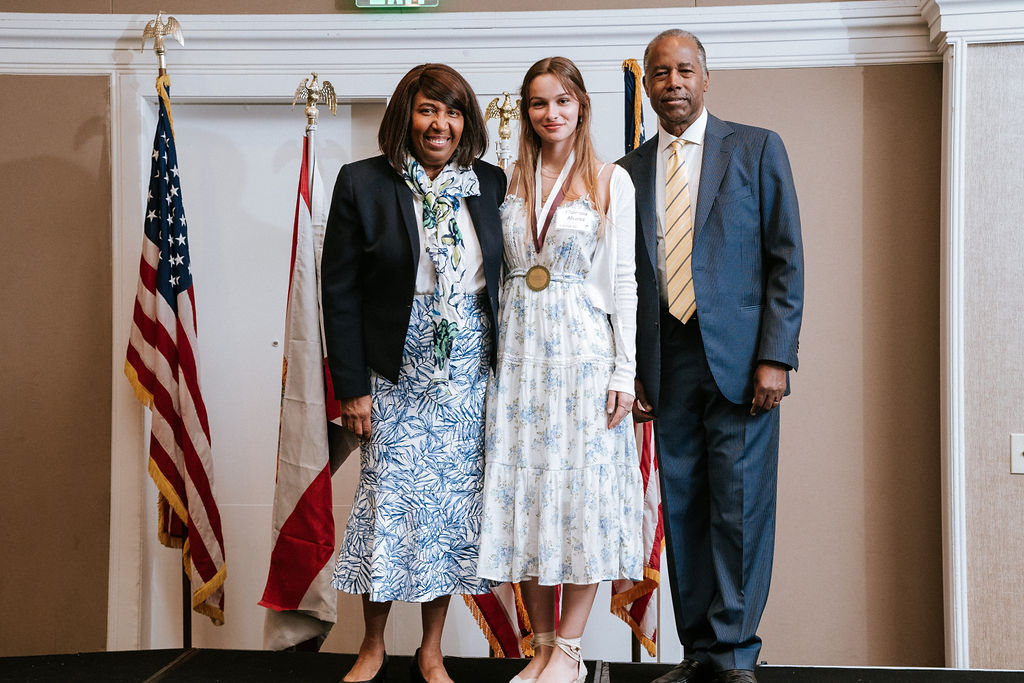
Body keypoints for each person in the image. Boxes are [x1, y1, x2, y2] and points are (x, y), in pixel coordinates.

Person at [617, 30, 804, 683]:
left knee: (740, 508)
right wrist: (631, 369)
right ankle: (699, 651)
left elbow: (785, 260)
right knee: (685, 507)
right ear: (647, 84)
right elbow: (622, 281)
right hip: (666, 365)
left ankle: (734, 654)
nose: (673, 82)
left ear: (705, 77)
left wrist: (776, 357)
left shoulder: (756, 148)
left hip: (743, 365)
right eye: (660, 72)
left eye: (684, 70)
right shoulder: (626, 173)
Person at [321, 63, 506, 683]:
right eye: (429, 109)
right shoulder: (362, 182)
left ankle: (431, 649)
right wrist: (352, 389)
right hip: (392, 373)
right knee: (388, 506)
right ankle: (372, 645)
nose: (440, 124)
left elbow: (504, 280)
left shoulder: (490, 182)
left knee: (449, 511)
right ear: (407, 115)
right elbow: (339, 291)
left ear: (466, 123)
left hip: (468, 374)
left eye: (452, 112)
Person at [476, 56, 643, 683]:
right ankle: (541, 647)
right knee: (526, 497)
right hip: (519, 359)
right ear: (526, 111)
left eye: (563, 100)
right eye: (540, 102)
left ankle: (568, 653)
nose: (552, 113)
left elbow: (624, 282)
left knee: (580, 497)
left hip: (582, 356)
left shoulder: (610, 179)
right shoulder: (506, 180)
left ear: (581, 107)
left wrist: (624, 371)